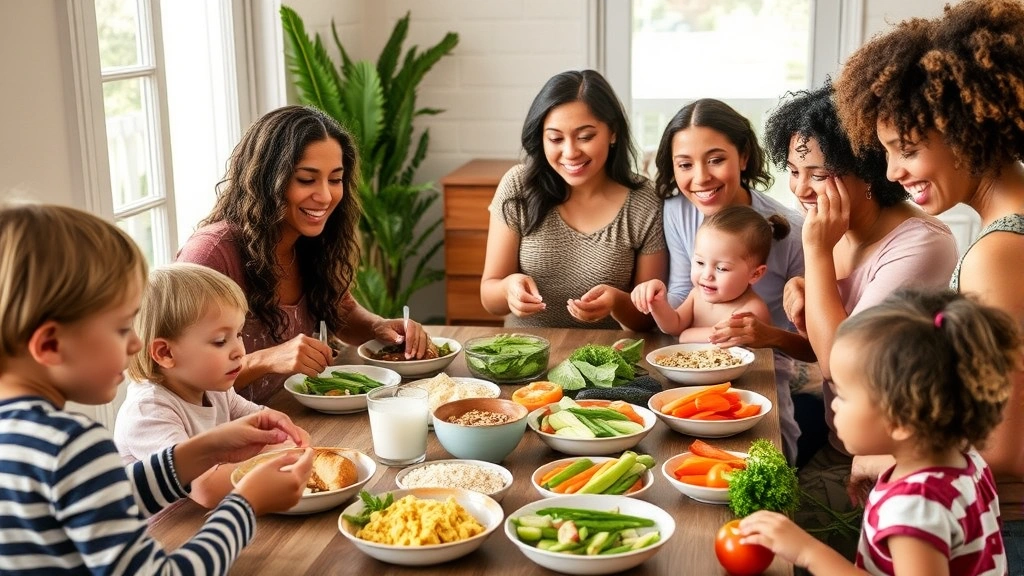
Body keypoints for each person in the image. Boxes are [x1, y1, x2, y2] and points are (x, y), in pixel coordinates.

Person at [0, 202, 314, 575]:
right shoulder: (74, 447)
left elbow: (109, 494)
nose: (135, 345)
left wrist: (206, 447)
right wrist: (245, 505)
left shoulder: (23, 439)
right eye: (121, 329)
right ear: (50, 345)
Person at [833, 0, 1024, 569]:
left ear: (969, 130)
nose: (892, 172)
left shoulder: (999, 252)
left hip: (998, 530)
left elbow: (1003, 446)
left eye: (908, 150)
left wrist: (887, 454)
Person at [766, 82, 959, 558]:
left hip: (877, 460)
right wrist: (806, 289)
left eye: (819, 173)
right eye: (793, 172)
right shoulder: (841, 227)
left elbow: (838, 363)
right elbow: (826, 334)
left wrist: (814, 253)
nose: (802, 189)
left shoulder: (922, 243)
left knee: (772, 544)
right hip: (841, 432)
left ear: (867, 170)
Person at [740, 288, 1018, 576]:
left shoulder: (913, 511)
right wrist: (872, 463)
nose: (834, 404)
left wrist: (808, 552)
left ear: (899, 421)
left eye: (844, 396)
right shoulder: (966, 457)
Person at [177, 105, 429, 405]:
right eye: (306, 180)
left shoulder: (311, 239)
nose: (325, 196)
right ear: (266, 180)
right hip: (220, 438)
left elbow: (340, 309)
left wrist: (376, 327)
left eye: (335, 179)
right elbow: (179, 375)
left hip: (289, 416)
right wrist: (267, 360)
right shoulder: (211, 255)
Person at [653, 98, 810, 464]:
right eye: (685, 164)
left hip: (759, 373)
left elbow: (813, 346)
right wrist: (656, 304)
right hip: (692, 364)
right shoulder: (676, 211)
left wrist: (768, 336)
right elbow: (682, 294)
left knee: (767, 454)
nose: (701, 178)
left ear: (742, 156)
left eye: (716, 159)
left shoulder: (788, 230)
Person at [479, 69, 667, 330]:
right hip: (525, 357)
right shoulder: (518, 186)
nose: (570, 152)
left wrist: (616, 302)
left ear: (612, 133)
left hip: (606, 362)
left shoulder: (644, 202)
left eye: (585, 137)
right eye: (555, 138)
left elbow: (648, 320)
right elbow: (490, 298)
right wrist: (508, 290)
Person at [114, 263, 311, 508]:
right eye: (220, 341)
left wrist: (281, 429)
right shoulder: (148, 411)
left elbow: (258, 420)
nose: (240, 351)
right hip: (165, 534)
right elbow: (206, 489)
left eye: (238, 334)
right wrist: (274, 461)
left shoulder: (213, 387)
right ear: (165, 353)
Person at [632, 205, 789, 342]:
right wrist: (658, 303)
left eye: (721, 268)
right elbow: (674, 325)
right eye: (700, 263)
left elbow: (687, 336)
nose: (707, 275)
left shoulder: (752, 311)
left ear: (755, 274)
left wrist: (686, 334)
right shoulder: (697, 295)